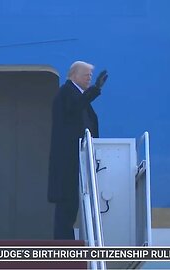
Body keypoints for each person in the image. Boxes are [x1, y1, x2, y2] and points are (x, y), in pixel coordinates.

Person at [48, 61, 108, 239]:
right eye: (86, 75)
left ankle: (66, 241)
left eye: (91, 75)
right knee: (67, 203)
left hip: (75, 159)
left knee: (71, 204)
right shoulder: (67, 92)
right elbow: (74, 107)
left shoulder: (76, 94)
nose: (89, 78)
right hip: (68, 159)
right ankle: (63, 245)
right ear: (74, 75)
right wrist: (95, 89)